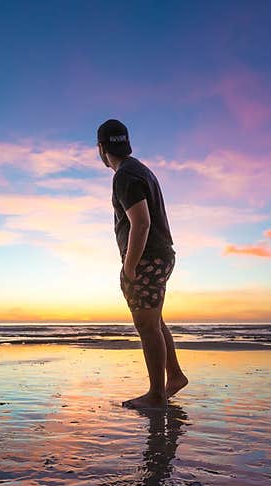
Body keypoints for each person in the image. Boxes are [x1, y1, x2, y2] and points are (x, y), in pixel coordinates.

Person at [97, 118, 188, 409]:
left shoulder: (125, 175)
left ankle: (157, 394)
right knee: (154, 321)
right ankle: (173, 376)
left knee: (146, 324)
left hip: (148, 257)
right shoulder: (141, 170)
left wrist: (130, 266)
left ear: (101, 149)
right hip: (161, 254)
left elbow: (142, 222)